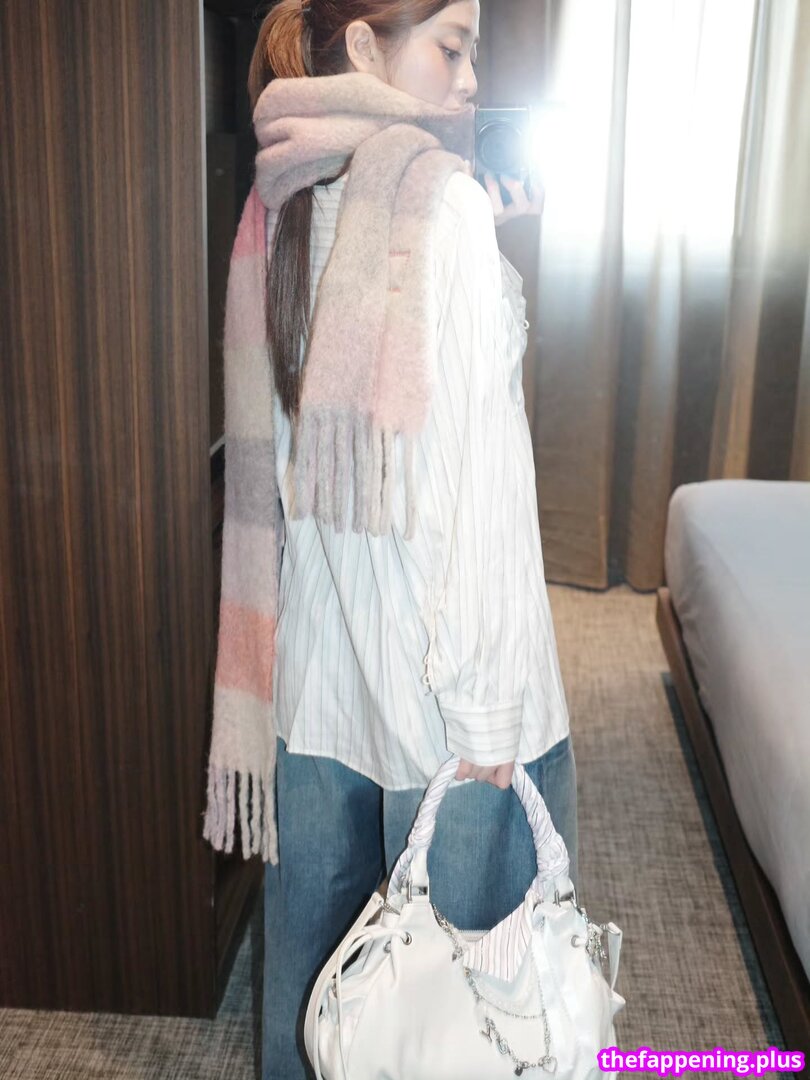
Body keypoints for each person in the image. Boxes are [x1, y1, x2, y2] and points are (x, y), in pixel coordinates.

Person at [219, 2, 579, 1077]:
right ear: (366, 48)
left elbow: (295, 463)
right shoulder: (443, 205)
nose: (471, 78)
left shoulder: (281, 197)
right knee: (464, 1020)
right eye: (451, 48)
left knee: (316, 996)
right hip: (455, 702)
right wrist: (489, 719)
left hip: (322, 683)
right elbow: (478, 486)